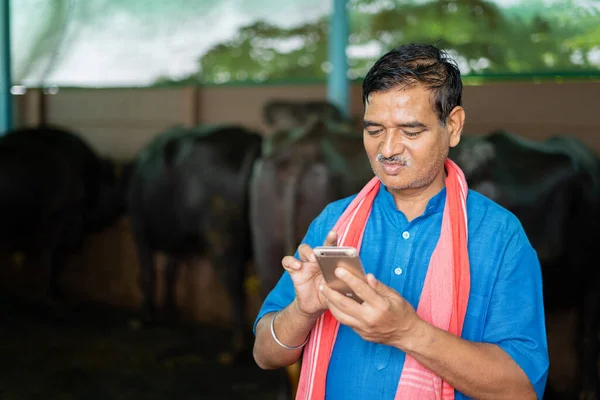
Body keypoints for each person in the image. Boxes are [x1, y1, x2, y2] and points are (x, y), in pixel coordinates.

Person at [252, 43, 549, 400]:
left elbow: (522, 390)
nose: (388, 149)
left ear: (453, 127)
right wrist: (304, 309)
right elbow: (265, 356)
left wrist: (407, 332)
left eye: (410, 131)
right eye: (374, 130)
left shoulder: (498, 236)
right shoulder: (335, 223)